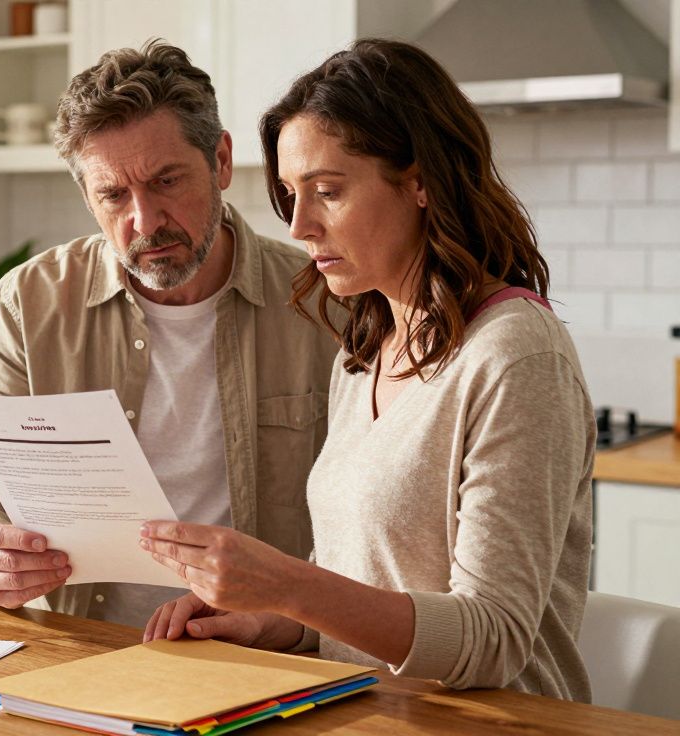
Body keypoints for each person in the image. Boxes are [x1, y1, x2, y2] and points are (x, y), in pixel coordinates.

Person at [141, 39, 594, 701]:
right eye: (291, 195)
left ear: (420, 181)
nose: (299, 226)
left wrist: (290, 586)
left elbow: (493, 639)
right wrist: (270, 620)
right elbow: (367, 581)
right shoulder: (364, 351)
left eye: (327, 191)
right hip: (364, 713)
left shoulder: (516, 356)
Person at [0, 41, 340, 626]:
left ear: (221, 161)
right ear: (86, 196)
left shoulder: (326, 302)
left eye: (167, 181)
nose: (145, 221)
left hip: (267, 655)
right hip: (82, 643)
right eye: (113, 195)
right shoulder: (28, 304)